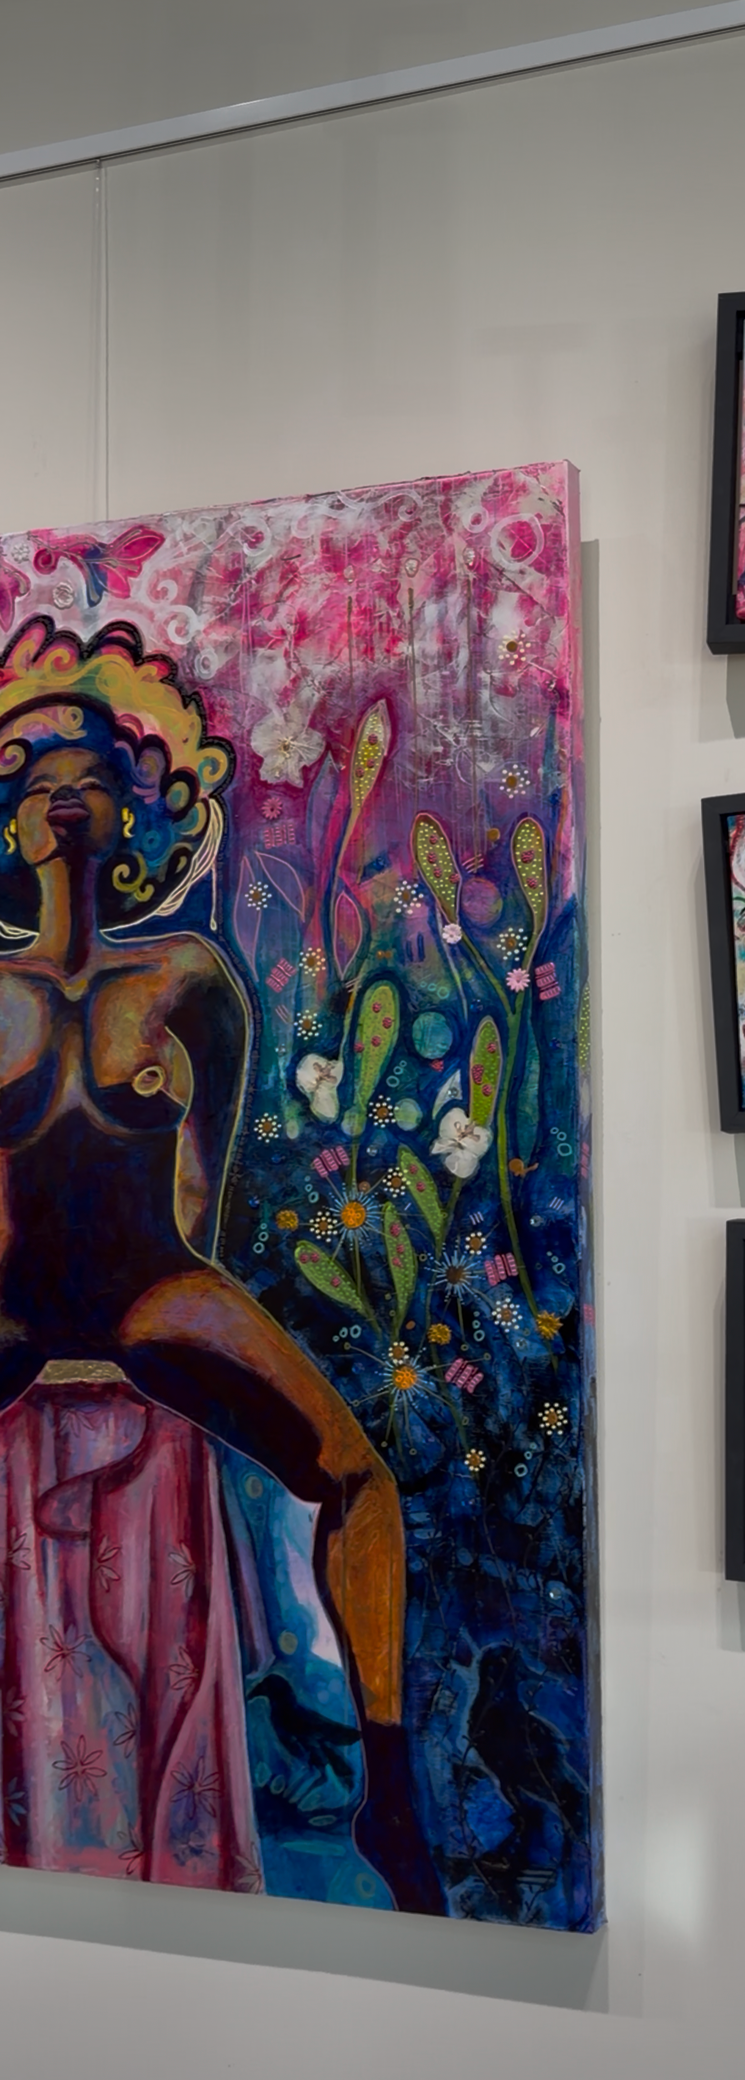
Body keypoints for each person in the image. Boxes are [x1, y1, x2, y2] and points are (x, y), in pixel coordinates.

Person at [0, 614, 434, 1905]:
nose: (62, 796)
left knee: (359, 1476)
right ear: (10, 828)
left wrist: (190, 1302)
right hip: (12, 1295)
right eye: (36, 782)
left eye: (89, 777)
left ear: (137, 812)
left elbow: (206, 1185)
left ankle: (392, 1787)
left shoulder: (190, 976)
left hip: (153, 1281)